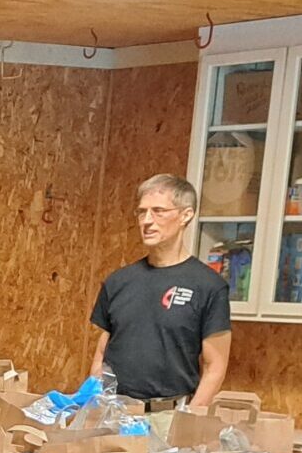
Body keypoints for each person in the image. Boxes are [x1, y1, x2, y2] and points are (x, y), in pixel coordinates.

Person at [86, 174, 232, 412]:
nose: (147, 221)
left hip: (169, 416)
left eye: (158, 211)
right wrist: (96, 405)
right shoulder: (119, 281)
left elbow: (215, 366)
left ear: (186, 215)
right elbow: (102, 352)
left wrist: (188, 420)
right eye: (142, 212)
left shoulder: (209, 286)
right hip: (114, 413)